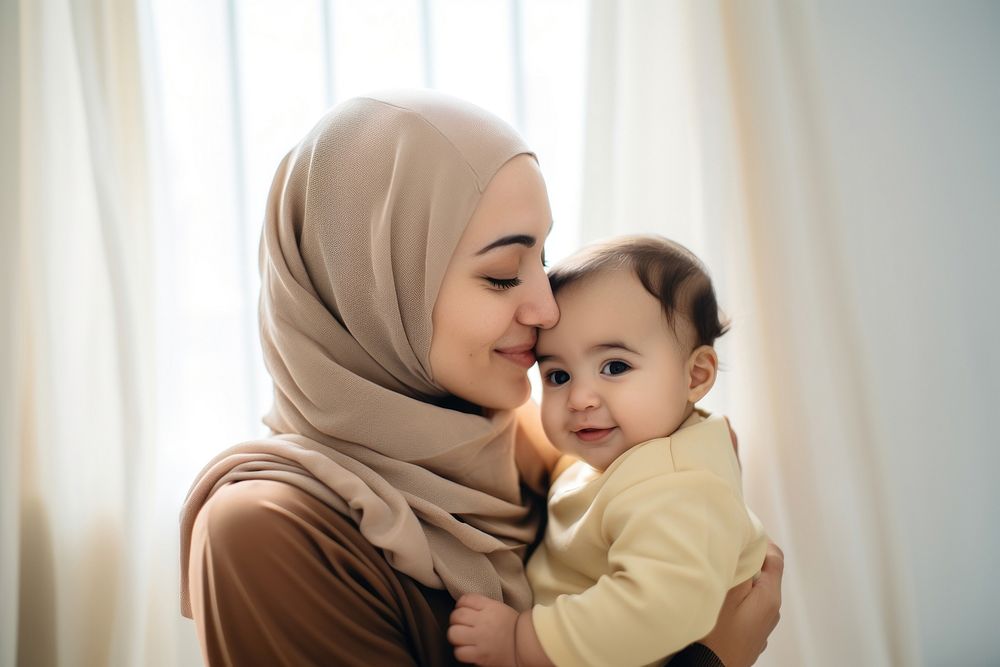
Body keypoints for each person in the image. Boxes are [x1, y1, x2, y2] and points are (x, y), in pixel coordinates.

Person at [179, 91, 782, 666]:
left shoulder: (531, 446)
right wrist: (713, 660)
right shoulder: (269, 534)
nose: (548, 311)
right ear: (372, 293)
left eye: (543, 259)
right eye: (501, 275)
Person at [448, 236, 769, 667]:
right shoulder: (625, 454)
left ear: (695, 376)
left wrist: (521, 640)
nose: (580, 398)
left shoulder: (681, 487)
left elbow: (657, 609)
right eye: (558, 375)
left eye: (615, 367)